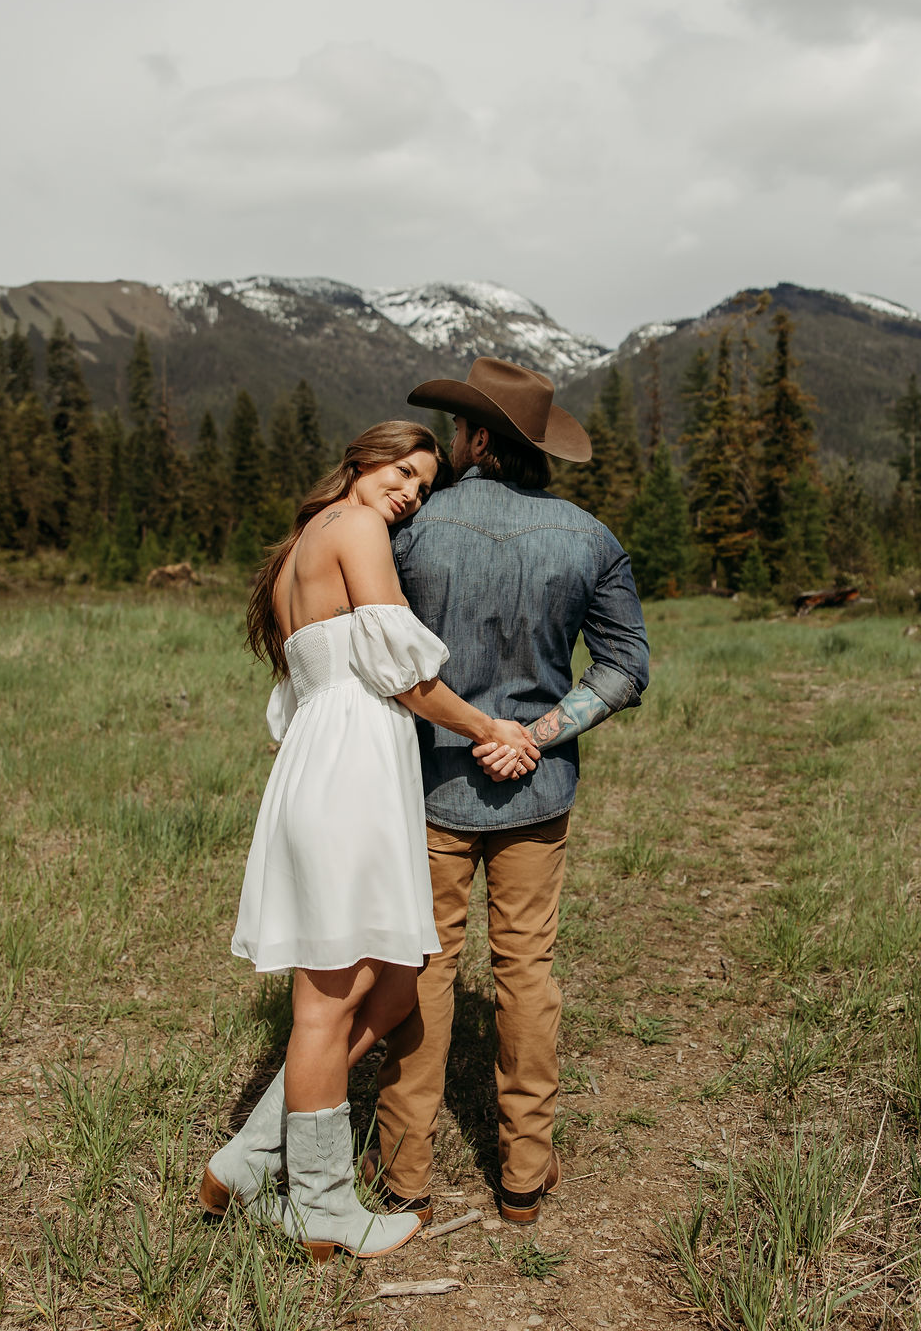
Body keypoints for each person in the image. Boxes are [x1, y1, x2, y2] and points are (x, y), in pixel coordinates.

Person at [199, 421, 539, 1259]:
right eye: (402, 472)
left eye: (423, 486)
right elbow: (410, 677)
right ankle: (321, 1209)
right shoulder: (354, 529)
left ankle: (249, 1158)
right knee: (330, 1000)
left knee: (394, 983)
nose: (409, 493)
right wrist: (491, 724)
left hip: (331, 767)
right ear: (361, 461)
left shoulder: (296, 550)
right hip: (347, 775)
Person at [371, 359, 649, 1226]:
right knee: (526, 968)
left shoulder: (412, 532)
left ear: (480, 439)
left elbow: (376, 649)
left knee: (425, 964)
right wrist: (536, 733)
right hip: (539, 789)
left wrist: (475, 730)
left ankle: (404, 1172)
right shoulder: (589, 537)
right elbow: (625, 668)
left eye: (458, 430)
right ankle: (525, 1172)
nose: (451, 445)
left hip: (428, 782)